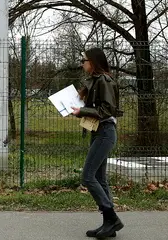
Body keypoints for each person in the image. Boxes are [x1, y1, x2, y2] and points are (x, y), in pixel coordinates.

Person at [71, 48, 124, 238]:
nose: (82, 64)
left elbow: (107, 110)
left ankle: (112, 218)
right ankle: (108, 224)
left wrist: (82, 112)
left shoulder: (105, 80)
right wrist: (79, 109)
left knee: (88, 177)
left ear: (93, 61)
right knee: (100, 179)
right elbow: (94, 108)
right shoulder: (94, 81)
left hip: (105, 132)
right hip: (98, 132)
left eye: (84, 60)